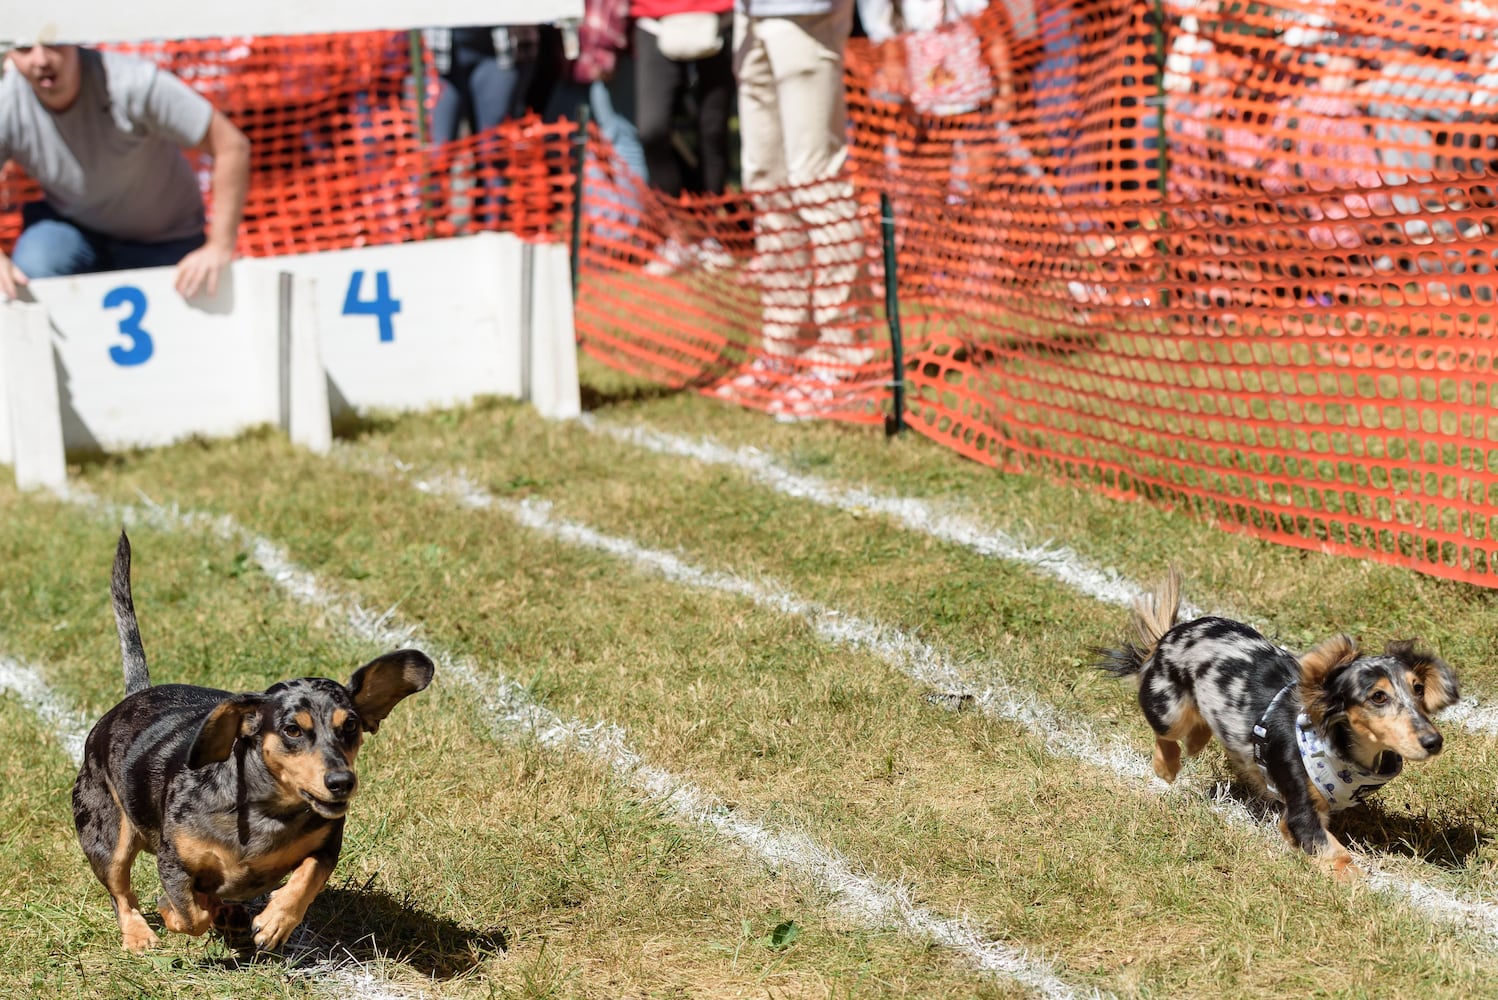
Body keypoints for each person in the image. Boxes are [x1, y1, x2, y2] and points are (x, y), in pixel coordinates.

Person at [0, 41, 250, 301]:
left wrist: (219, 246)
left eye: (53, 44)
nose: (41, 60)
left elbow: (231, 145)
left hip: (165, 239)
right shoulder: (7, 102)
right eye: (25, 48)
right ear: (9, 53)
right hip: (73, 230)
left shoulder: (132, 83)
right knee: (29, 273)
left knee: (183, 314)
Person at [730, 0, 870, 409]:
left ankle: (844, 355)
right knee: (766, 183)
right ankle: (785, 346)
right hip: (750, 14)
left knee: (817, 183)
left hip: (804, 12)